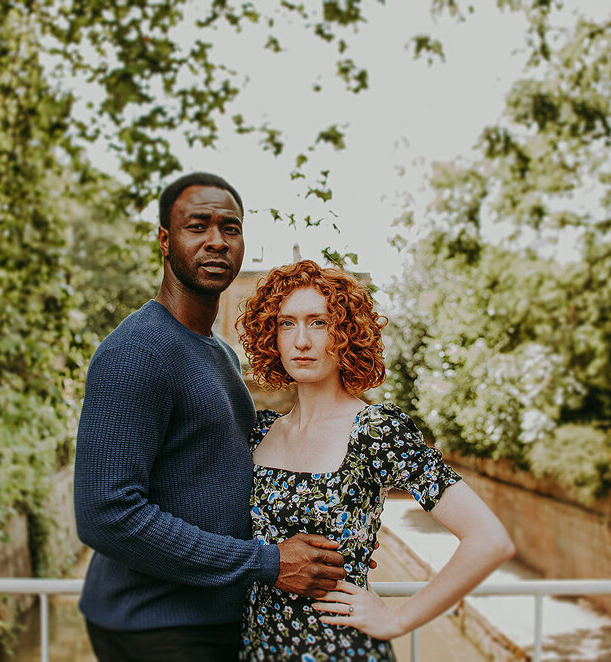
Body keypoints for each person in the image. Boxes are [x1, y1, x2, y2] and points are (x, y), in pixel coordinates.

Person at [73, 174, 347, 662]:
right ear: (164, 240)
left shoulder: (220, 353)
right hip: (156, 626)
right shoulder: (134, 351)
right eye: (197, 226)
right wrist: (265, 562)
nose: (217, 241)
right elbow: (105, 515)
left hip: (212, 618)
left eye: (231, 228)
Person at [236, 260, 515, 661]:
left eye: (318, 322)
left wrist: (398, 620)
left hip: (340, 650)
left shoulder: (375, 430)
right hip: (257, 649)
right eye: (286, 323)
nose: (300, 341)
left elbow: (490, 540)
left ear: (345, 333)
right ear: (271, 335)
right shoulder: (260, 431)